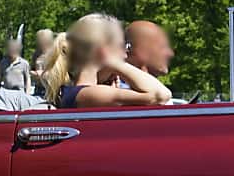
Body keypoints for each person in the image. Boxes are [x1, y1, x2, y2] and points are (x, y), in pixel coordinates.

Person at [43, 13, 171, 108]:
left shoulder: (78, 93)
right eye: (122, 46)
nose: (125, 56)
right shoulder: (86, 93)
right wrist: (114, 63)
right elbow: (160, 95)